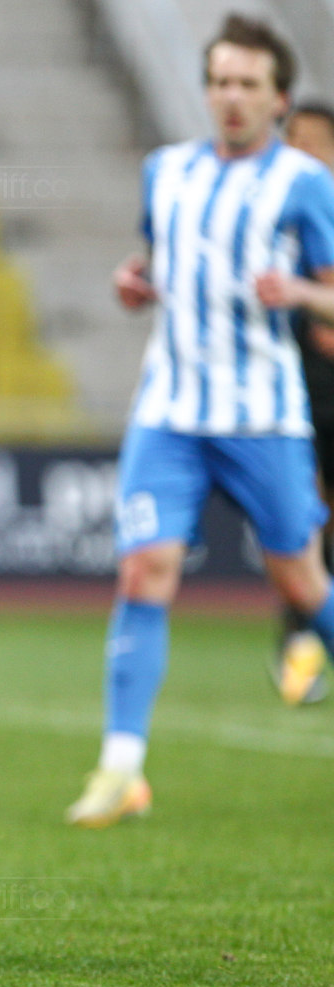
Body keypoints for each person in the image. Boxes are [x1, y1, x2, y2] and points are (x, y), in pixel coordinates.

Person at [66, 16, 334, 827]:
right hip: (170, 413)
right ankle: (121, 768)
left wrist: (302, 293)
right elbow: (159, 261)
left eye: (248, 83)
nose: (231, 97)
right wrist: (134, 281)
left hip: (264, 416)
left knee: (300, 582)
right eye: (220, 81)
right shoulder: (167, 171)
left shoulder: (305, 183)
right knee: (144, 571)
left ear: (279, 99)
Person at [271, 102, 334, 705]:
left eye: (316, 141)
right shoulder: (277, 218)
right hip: (298, 386)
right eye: (294, 139)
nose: (303, 151)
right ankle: (297, 646)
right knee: (303, 519)